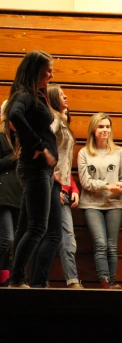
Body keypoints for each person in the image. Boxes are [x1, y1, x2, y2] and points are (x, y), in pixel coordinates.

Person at [3, 51, 58, 288]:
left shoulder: (34, 94)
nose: (51, 74)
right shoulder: (24, 95)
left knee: (26, 227)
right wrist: (36, 145)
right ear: (36, 70)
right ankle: (17, 279)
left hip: (39, 170)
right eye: (48, 70)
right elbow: (14, 114)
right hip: (34, 168)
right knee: (38, 227)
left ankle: (17, 278)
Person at [29, 84, 82, 288]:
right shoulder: (52, 121)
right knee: (51, 234)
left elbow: (65, 162)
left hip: (60, 185)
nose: (66, 96)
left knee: (51, 234)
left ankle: (40, 281)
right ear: (52, 98)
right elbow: (44, 151)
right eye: (61, 95)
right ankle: (42, 282)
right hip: (51, 184)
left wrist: (71, 187)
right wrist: (55, 184)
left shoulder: (62, 121)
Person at [78, 112, 122, 289]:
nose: (105, 130)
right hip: (91, 204)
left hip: (115, 204)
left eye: (107, 126)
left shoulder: (119, 152)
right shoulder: (84, 152)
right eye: (101, 126)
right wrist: (107, 186)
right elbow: (85, 182)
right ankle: (104, 282)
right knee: (100, 243)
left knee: (112, 246)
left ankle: (112, 283)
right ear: (93, 129)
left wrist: (121, 187)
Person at [0, 101, 22, 287]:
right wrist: (14, 157)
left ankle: (9, 278)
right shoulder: (1, 137)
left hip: (20, 196)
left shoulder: (23, 138)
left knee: (16, 242)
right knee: (7, 238)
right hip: (3, 195)